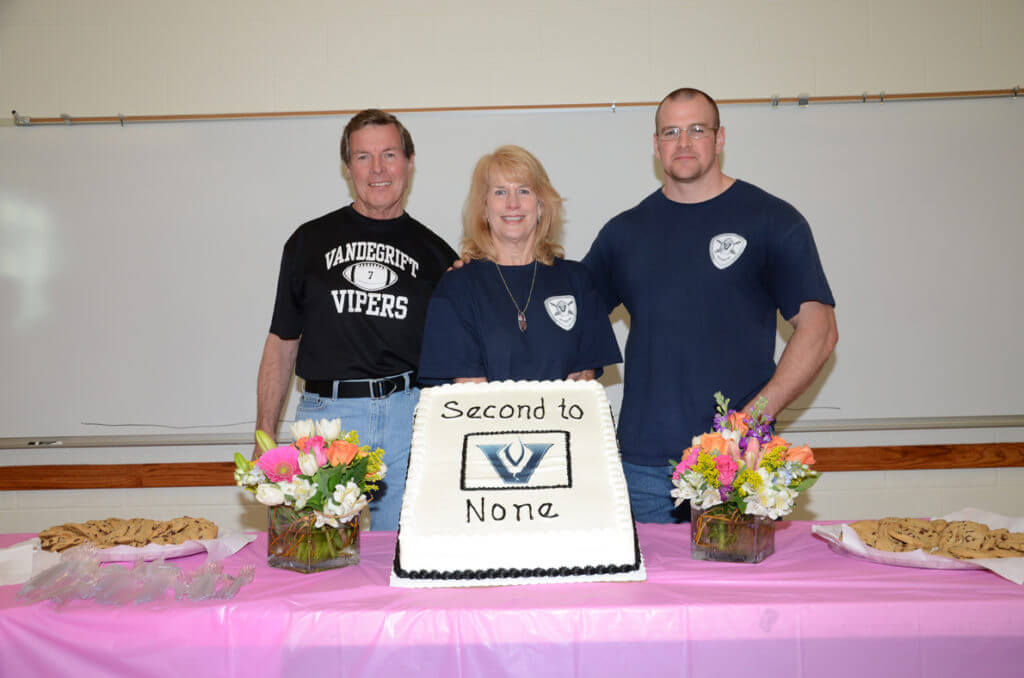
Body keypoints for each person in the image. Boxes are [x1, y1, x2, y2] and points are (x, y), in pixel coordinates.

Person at [583, 88, 838, 523]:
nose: (683, 142)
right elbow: (570, 320)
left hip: (740, 466)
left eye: (697, 130)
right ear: (656, 144)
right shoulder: (623, 234)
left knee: (740, 590)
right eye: (671, 132)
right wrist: (484, 273)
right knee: (646, 592)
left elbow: (819, 328)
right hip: (644, 469)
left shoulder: (773, 220)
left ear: (719, 139)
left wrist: (750, 421)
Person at [255, 109, 458, 531]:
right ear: (348, 168)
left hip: (410, 419)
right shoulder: (308, 242)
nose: (378, 169)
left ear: (409, 161)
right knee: (313, 556)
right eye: (364, 157)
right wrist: (264, 435)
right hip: (329, 421)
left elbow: (457, 356)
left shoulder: (437, 254)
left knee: (406, 555)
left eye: (389, 154)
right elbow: (282, 341)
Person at [418, 145, 621, 383]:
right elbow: (467, 392)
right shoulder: (456, 288)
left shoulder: (578, 281)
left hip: (563, 421)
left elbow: (584, 378)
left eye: (524, 191)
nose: (512, 203)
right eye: (500, 192)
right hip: (487, 421)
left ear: (541, 206)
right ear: (484, 207)